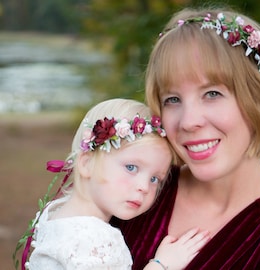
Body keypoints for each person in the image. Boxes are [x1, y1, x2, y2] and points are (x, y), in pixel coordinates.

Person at [111, 7, 260, 269]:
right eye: (172, 99)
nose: (188, 121)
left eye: (212, 94)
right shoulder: (131, 187)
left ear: (259, 101)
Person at [17, 98, 210, 270]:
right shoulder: (97, 241)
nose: (144, 187)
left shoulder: (55, 213)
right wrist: (161, 264)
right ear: (86, 163)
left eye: (154, 179)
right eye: (131, 168)